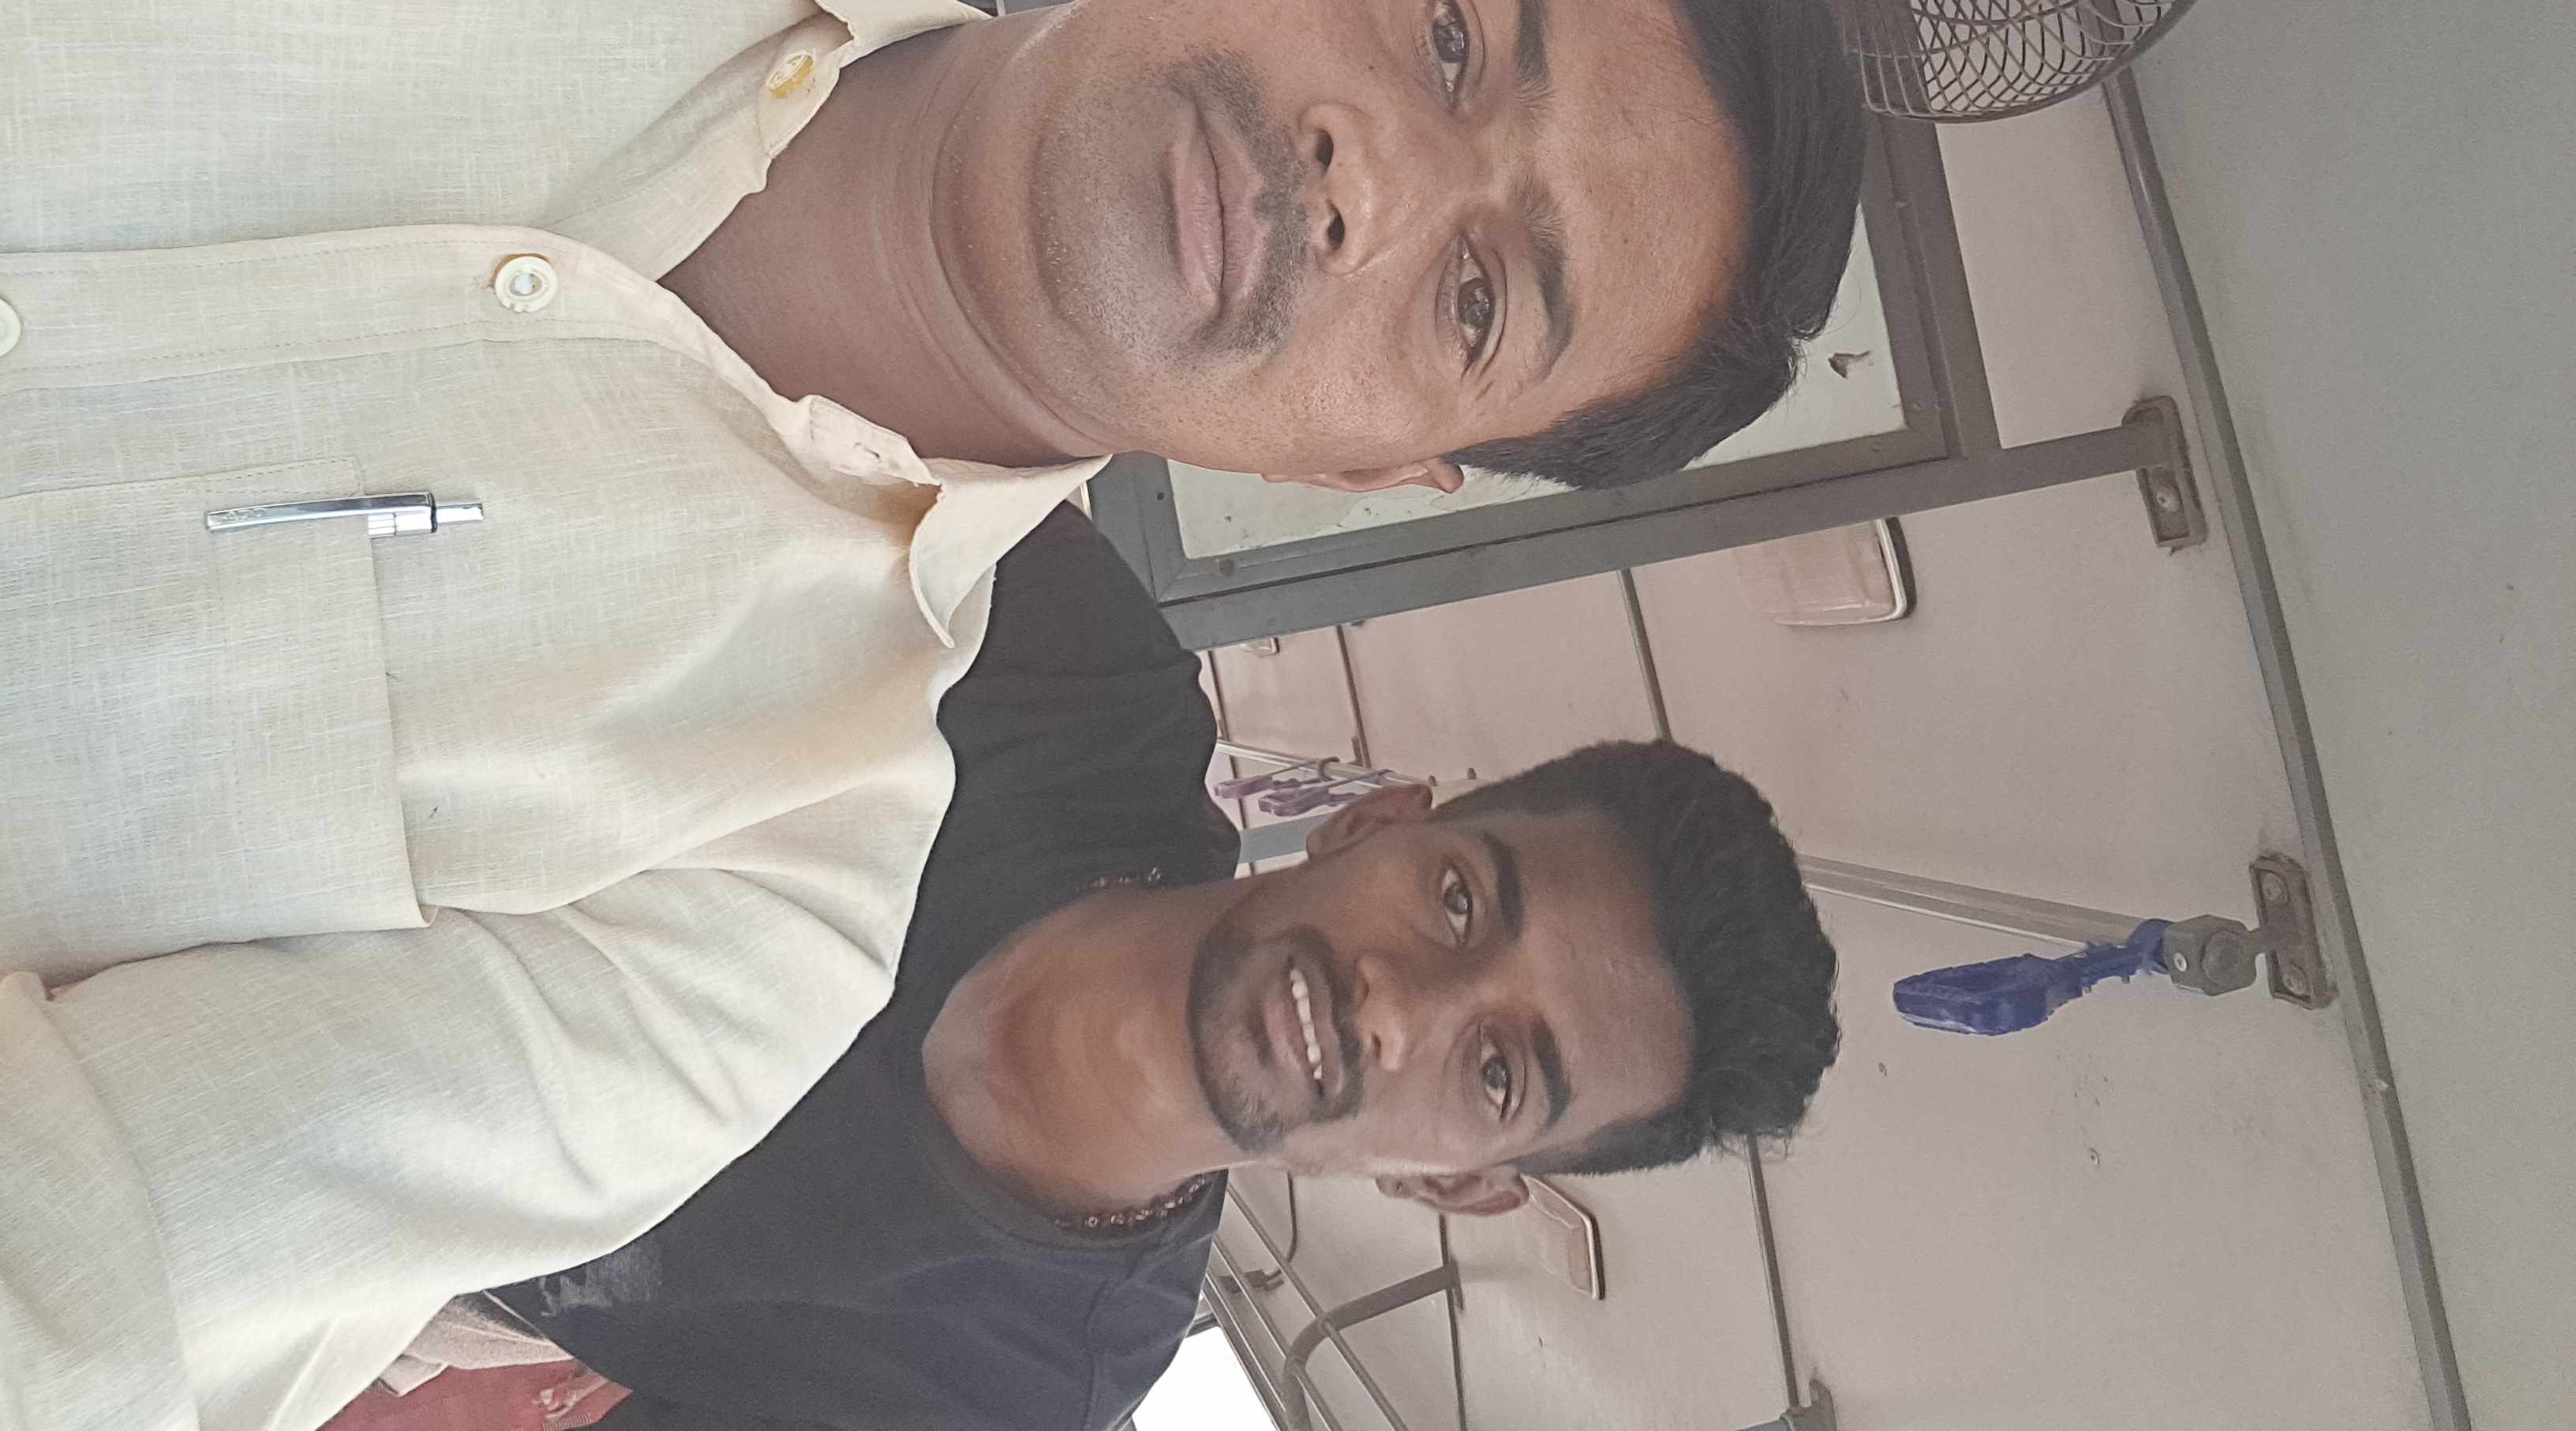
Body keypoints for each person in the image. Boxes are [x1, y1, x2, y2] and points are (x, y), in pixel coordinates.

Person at [0, 0, 1865, 1425]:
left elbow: (79, 1280)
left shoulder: (722, 942)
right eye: (1453, 38)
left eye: (1477, 301)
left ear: (1375, 474)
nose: (1369, 183)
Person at [335, 504, 1839, 1431]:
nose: (1400, 1004)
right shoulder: (1041, 647)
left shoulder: (1013, 1390)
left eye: (1496, 1073)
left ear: (1452, 1183)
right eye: (1459, 902)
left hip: (316, 1219)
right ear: (1378, 821)